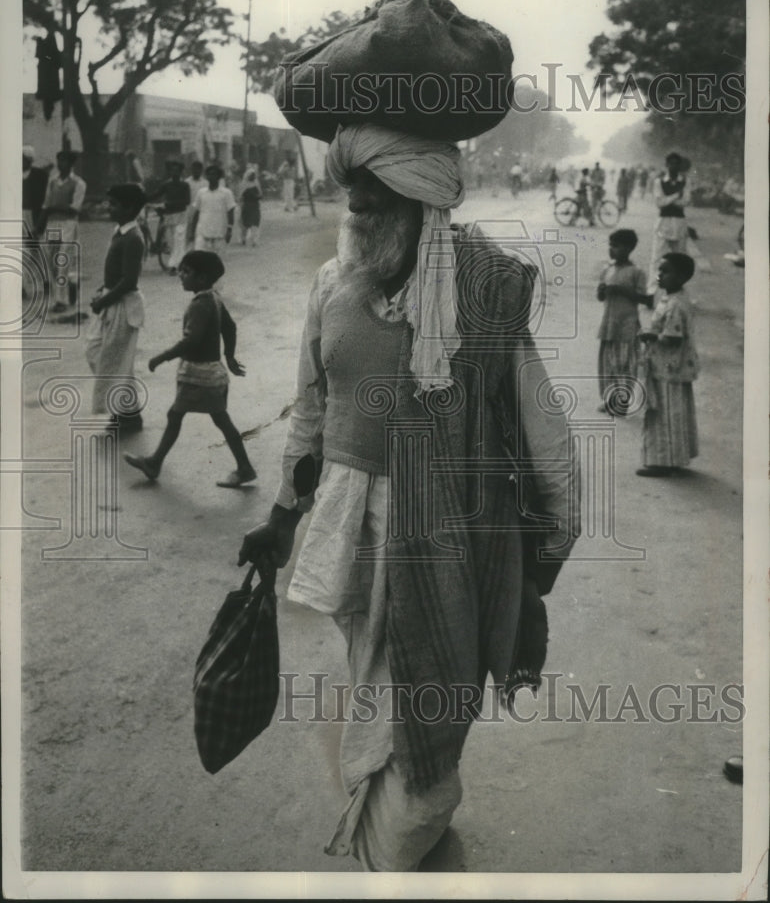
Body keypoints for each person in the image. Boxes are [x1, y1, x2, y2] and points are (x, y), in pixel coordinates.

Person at [236, 123, 579, 872]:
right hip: (349, 530)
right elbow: (312, 410)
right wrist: (280, 519)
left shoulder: (486, 291)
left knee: (431, 719)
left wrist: (548, 544)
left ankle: (400, 841)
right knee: (376, 683)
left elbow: (543, 431)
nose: (356, 212)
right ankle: (390, 821)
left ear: (425, 205)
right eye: (352, 200)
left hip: (453, 541)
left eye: (376, 200)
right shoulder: (332, 284)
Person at [123, 250, 256, 488]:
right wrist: (229, 357)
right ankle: (243, 467)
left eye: (186, 272)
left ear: (202, 278)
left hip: (199, 375)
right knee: (210, 419)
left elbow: (191, 341)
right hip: (211, 373)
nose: (180, 276)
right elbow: (230, 327)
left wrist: (162, 357)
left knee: (182, 416)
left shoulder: (200, 304)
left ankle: (155, 463)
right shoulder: (213, 298)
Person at [85, 184, 147, 430]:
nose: (107, 207)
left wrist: (104, 301)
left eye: (113, 204)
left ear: (129, 207)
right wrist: (102, 290)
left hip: (123, 304)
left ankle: (126, 415)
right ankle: (129, 412)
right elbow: (115, 273)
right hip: (112, 298)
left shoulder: (134, 237)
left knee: (114, 359)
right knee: (99, 353)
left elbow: (130, 281)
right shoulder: (120, 231)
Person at [637, 252, 699, 477]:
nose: (659, 275)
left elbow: (673, 337)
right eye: (660, 270)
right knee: (672, 412)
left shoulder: (675, 304)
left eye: (666, 271)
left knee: (663, 413)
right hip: (670, 366)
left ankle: (662, 462)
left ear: (681, 277)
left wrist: (651, 336)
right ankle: (672, 458)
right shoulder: (674, 297)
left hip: (669, 367)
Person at [596, 229, 648, 415]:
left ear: (629, 248)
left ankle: (622, 402)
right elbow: (601, 297)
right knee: (608, 363)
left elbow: (644, 298)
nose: (612, 249)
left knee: (624, 364)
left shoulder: (636, 272)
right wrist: (602, 290)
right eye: (611, 245)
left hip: (627, 324)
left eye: (616, 246)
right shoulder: (607, 269)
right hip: (609, 324)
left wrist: (620, 290)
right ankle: (610, 399)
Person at [36, 150, 87, 312]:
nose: (60, 165)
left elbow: (74, 209)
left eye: (64, 161)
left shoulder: (79, 183)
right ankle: (72, 282)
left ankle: (61, 300)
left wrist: (54, 207)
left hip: (68, 224)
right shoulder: (52, 182)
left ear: (71, 164)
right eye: (59, 161)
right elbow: (45, 205)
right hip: (53, 224)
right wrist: (39, 225)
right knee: (50, 258)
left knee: (62, 260)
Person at [648, 152, 690, 293]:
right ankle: (652, 291)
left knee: (680, 258)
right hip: (663, 222)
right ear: (666, 165)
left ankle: (678, 291)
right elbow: (659, 203)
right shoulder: (659, 182)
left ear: (680, 166)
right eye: (671, 163)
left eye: (676, 163)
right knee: (657, 257)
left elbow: (685, 202)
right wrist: (676, 195)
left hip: (679, 222)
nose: (674, 166)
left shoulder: (685, 181)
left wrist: (669, 199)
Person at [150, 159, 191, 275]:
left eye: (177, 171)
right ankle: (177, 264)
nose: (174, 173)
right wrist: (143, 198)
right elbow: (156, 195)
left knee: (179, 240)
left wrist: (168, 204)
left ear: (181, 172)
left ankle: (175, 266)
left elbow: (186, 201)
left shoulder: (184, 185)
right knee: (172, 242)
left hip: (181, 216)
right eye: (172, 171)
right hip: (169, 217)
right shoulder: (166, 185)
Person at [21, 144, 49, 300]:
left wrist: (40, 221)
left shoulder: (39, 175)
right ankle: (22, 286)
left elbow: (44, 198)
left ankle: (45, 280)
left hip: (33, 215)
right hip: (17, 215)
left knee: (37, 249)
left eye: (24, 159)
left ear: (29, 160)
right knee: (21, 250)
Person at [189, 164, 235, 254]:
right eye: (209, 174)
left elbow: (231, 212)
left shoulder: (226, 193)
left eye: (214, 174)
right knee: (200, 259)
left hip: (219, 234)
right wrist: (192, 231)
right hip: (202, 232)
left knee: (216, 262)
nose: (211, 176)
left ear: (219, 177)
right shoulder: (201, 192)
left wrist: (229, 230)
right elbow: (197, 212)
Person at [239, 168, 263, 247]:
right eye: (251, 175)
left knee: (255, 223)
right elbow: (240, 197)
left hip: (255, 206)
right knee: (245, 224)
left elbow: (260, 194)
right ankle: (243, 238)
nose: (253, 177)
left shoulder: (256, 183)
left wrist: (257, 197)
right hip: (247, 206)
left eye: (254, 175)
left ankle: (254, 240)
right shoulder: (243, 184)